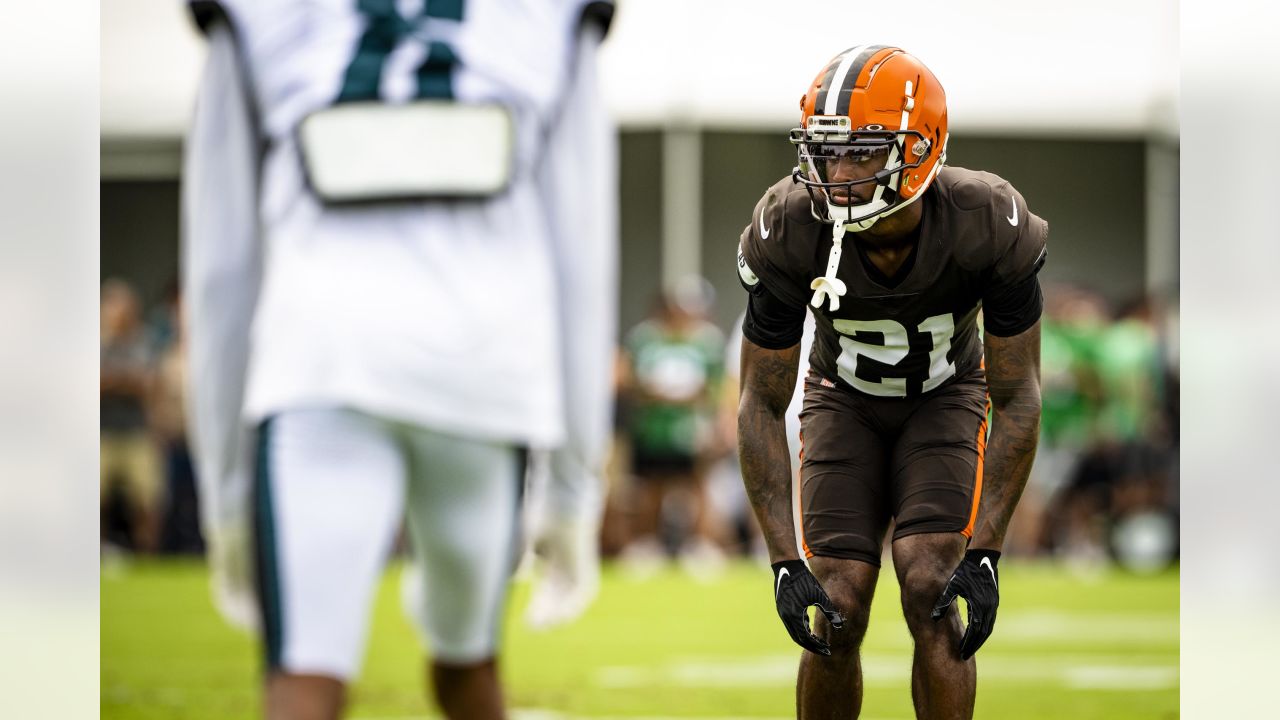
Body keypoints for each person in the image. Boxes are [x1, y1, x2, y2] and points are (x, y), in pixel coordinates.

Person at [180, 1, 617, 719]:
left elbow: (221, 262)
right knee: (468, 669)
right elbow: (581, 251)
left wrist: (224, 495)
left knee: (304, 678)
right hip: (485, 364)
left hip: (322, 358)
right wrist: (573, 486)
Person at [735, 45, 1046, 719]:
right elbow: (759, 401)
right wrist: (784, 560)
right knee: (837, 603)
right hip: (841, 400)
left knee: (933, 587)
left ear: (920, 146)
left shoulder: (986, 221)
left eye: (864, 152)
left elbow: (1018, 393)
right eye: (827, 151)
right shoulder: (789, 225)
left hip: (946, 398)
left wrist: (987, 548)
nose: (838, 173)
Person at [618, 279, 728, 573]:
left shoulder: (708, 340)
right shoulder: (645, 338)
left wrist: (714, 420)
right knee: (651, 486)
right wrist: (655, 393)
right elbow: (629, 379)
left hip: (692, 427)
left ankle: (702, 546)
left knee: (697, 485)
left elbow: (717, 387)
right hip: (654, 427)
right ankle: (646, 544)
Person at [100, 278, 162, 554]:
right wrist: (124, 381)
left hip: (137, 433)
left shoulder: (143, 341)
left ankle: (148, 557)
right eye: (115, 308)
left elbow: (147, 383)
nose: (121, 314)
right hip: (101, 434)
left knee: (147, 501)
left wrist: (114, 381)